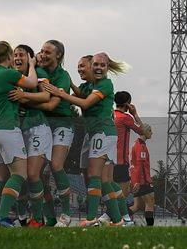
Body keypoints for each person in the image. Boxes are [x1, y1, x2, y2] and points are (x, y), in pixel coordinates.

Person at [44, 52, 127, 226]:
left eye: (84, 66)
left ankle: (91, 219)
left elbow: (85, 103)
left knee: (95, 175)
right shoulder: (90, 85)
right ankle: (119, 219)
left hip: (103, 132)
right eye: (79, 66)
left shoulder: (105, 84)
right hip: (92, 133)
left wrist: (58, 92)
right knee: (97, 179)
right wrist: (68, 82)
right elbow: (81, 93)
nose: (80, 69)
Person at [0, 40, 38, 227]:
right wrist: (33, 66)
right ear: (8, 56)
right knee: (19, 174)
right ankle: (3, 218)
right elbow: (31, 83)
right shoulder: (8, 73)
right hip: (6, 128)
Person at [8, 44, 52, 228]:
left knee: (33, 174)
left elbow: (45, 97)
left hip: (38, 128)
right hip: (18, 131)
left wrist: (23, 95)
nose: (18, 58)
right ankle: (22, 216)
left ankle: (38, 218)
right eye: (15, 54)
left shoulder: (39, 73)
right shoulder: (10, 75)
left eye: (22, 55)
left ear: (30, 58)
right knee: (21, 177)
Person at [31, 40, 74, 227]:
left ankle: (65, 213)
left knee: (56, 165)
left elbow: (53, 104)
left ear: (59, 56)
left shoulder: (63, 76)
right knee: (38, 174)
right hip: (43, 124)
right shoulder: (35, 72)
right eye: (41, 51)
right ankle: (46, 218)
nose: (43, 54)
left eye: (48, 52)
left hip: (62, 123)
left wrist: (25, 100)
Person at [99, 91, 148, 226]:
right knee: (124, 192)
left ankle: (112, 218)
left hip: (107, 158)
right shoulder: (125, 117)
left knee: (113, 190)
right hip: (120, 160)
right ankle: (106, 217)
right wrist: (135, 114)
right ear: (128, 103)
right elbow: (144, 132)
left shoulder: (110, 115)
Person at [129, 126, 155, 226]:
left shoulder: (136, 144)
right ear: (143, 132)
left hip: (136, 179)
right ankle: (150, 227)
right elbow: (140, 165)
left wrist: (134, 181)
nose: (151, 133)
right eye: (149, 130)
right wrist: (139, 182)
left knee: (137, 206)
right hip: (142, 181)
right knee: (150, 202)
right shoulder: (141, 146)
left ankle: (119, 220)